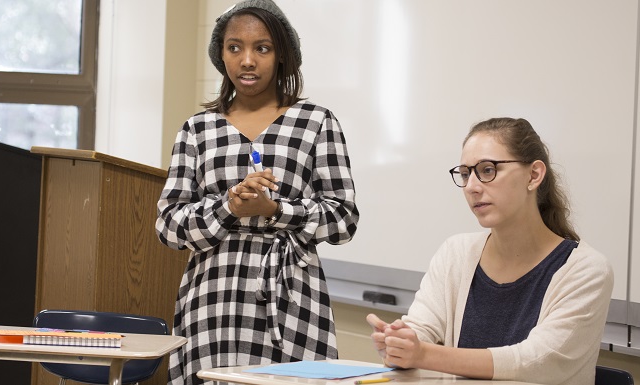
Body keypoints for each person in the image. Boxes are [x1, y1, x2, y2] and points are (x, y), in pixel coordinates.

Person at [155, 1, 360, 384]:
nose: (247, 60)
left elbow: (344, 219)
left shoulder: (316, 121)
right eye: (235, 48)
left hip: (292, 296)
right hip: (213, 298)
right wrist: (228, 206)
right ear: (221, 54)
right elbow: (168, 226)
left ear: (282, 55)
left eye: (261, 48)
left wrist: (276, 210)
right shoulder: (197, 129)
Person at [366, 118, 613, 385]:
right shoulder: (455, 253)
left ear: (534, 175)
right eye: (464, 174)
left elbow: (537, 361)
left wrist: (422, 354)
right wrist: (399, 344)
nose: (472, 186)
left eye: (487, 170)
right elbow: (420, 330)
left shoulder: (587, 269)